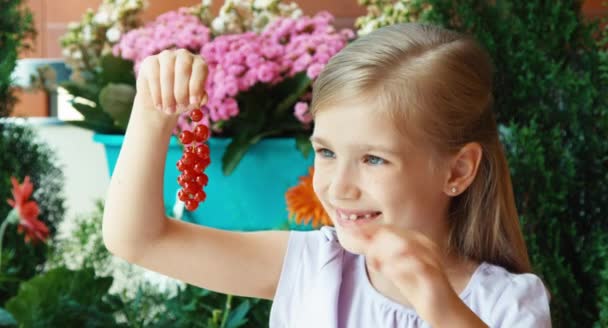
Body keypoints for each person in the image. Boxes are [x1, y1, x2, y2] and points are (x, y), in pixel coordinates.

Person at [102, 22, 552, 327]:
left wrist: (436, 301)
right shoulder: (309, 265)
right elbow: (138, 239)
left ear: (457, 170)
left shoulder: (507, 305)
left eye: (375, 159)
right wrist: (152, 109)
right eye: (326, 152)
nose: (339, 187)